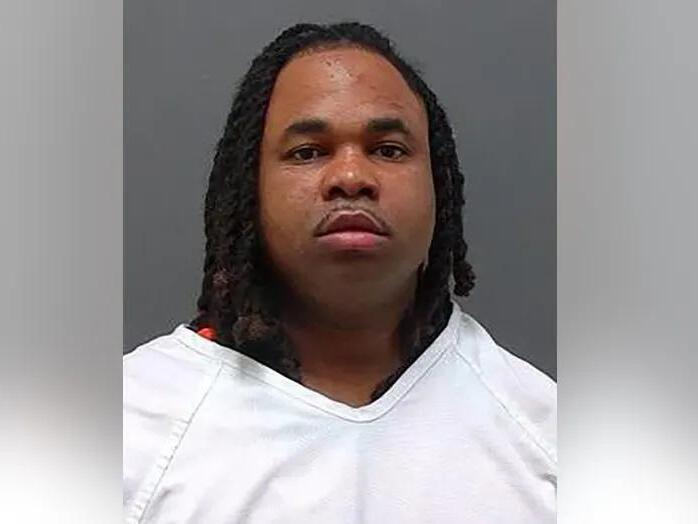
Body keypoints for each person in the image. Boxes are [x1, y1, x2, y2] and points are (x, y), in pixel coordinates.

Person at [123, 22, 556, 523]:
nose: (351, 177)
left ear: (439, 185)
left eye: (388, 150)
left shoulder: (546, 439)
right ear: (248, 189)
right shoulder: (133, 431)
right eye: (307, 152)